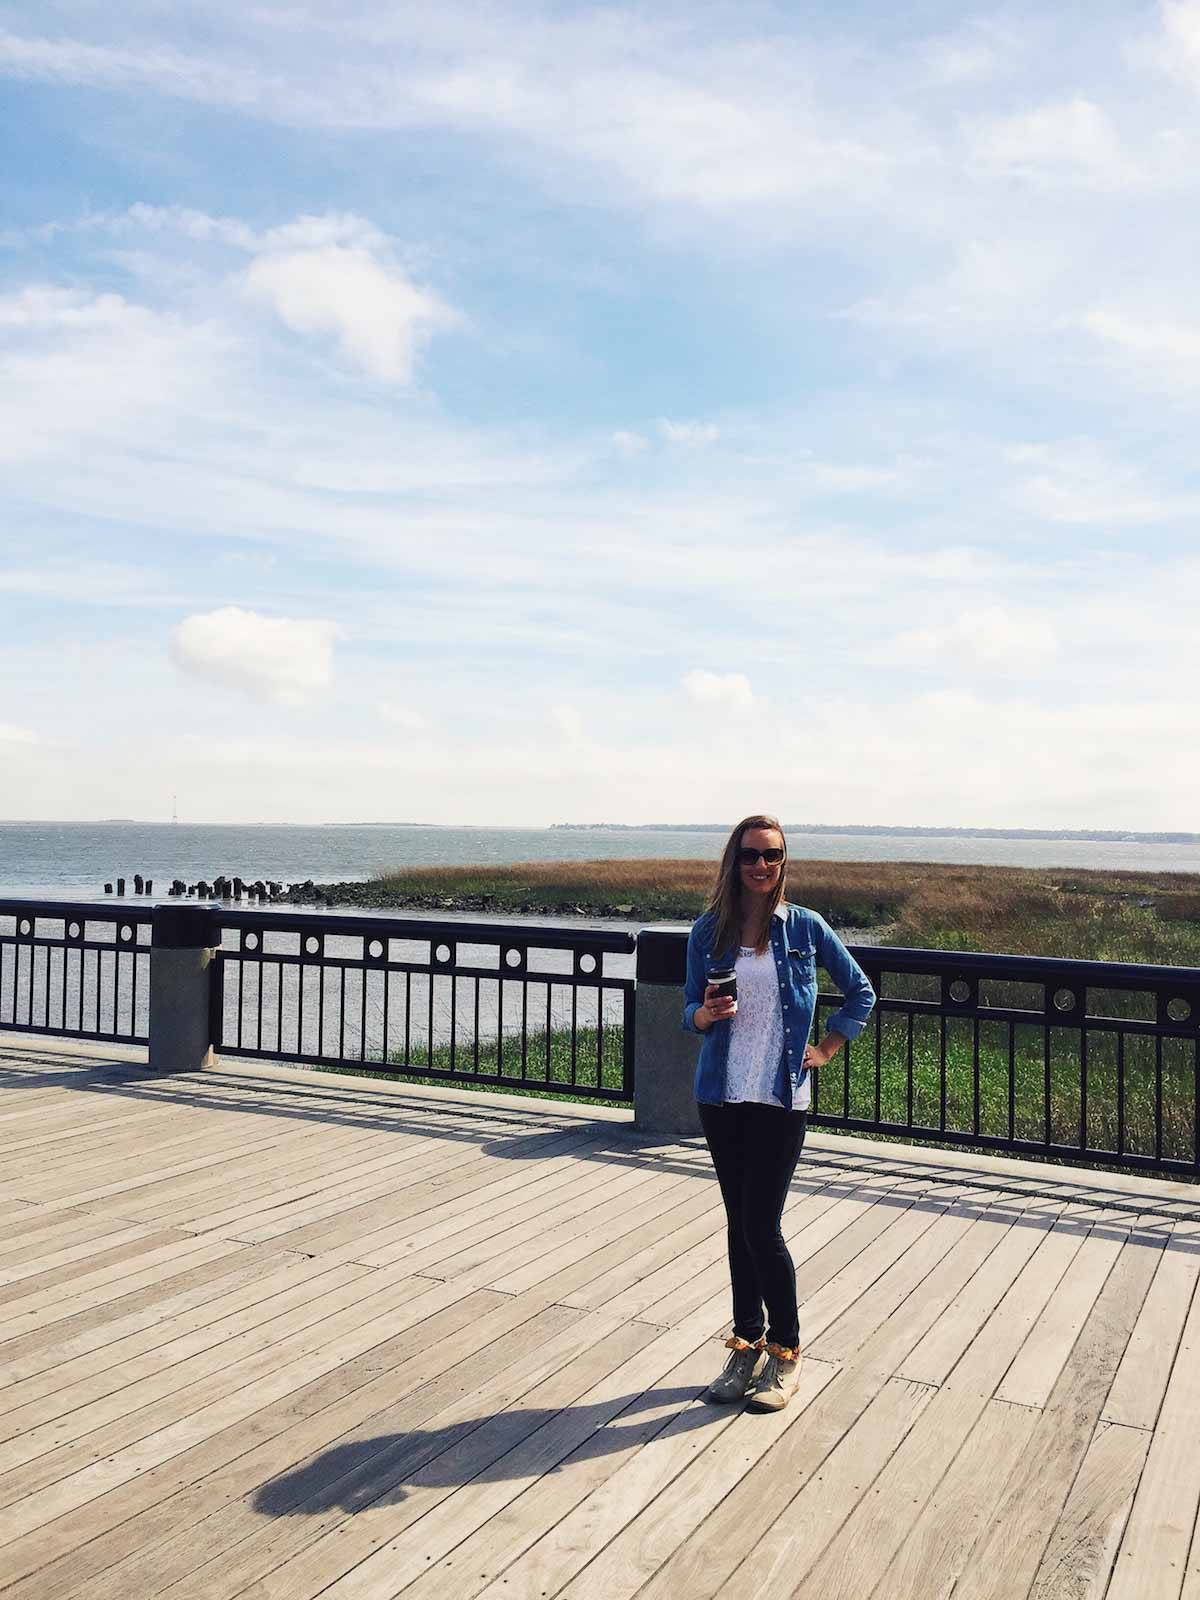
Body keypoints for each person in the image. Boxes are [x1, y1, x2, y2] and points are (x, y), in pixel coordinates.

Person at [683, 814, 875, 1410]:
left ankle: (786, 1354)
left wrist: (828, 1048)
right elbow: (689, 1005)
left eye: (772, 856)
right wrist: (703, 1016)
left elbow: (861, 990)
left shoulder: (806, 928)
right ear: (732, 861)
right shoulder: (708, 930)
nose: (761, 866)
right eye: (750, 855)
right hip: (722, 1094)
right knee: (739, 1225)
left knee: (762, 1227)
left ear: (783, 862)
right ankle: (745, 1346)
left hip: (781, 1097)